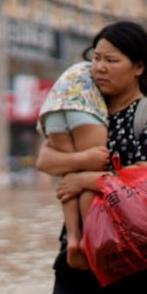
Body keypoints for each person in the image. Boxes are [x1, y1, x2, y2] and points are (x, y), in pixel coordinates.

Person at [36, 21, 147, 294]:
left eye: (111, 61)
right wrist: (81, 164)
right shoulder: (85, 105)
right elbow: (46, 159)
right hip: (78, 251)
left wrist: (83, 179)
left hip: (131, 250)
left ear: (138, 67)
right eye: (96, 58)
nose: (100, 67)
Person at [35, 59, 111, 270]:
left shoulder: (81, 68)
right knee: (87, 176)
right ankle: (88, 237)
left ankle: (73, 238)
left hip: (54, 108)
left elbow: (45, 161)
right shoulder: (107, 74)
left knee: (69, 174)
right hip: (83, 106)